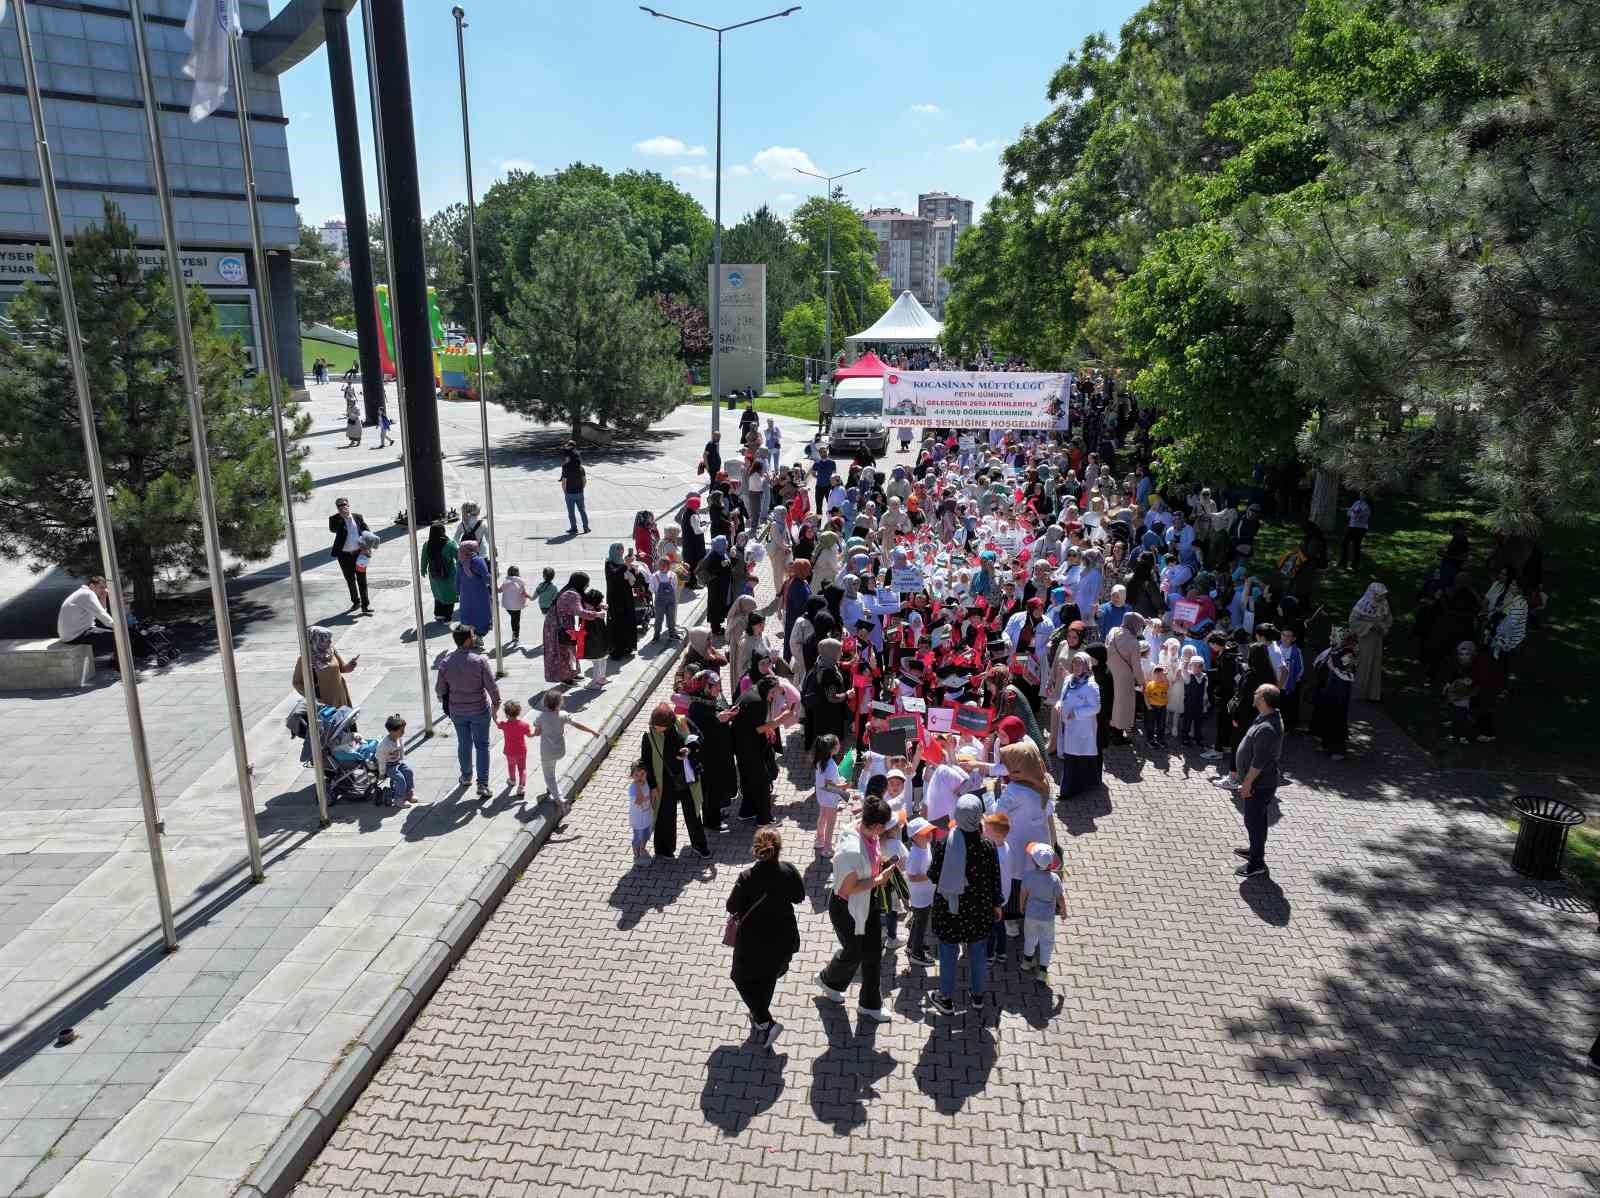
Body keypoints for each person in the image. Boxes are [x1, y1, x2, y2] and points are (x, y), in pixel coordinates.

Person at [815, 793, 897, 1024]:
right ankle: (828, 980)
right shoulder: (852, 849)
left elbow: (870, 857)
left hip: (866, 903)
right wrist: (878, 880)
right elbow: (849, 888)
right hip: (847, 909)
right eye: (885, 827)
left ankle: (870, 1005)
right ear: (877, 825)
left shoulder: (865, 830)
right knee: (854, 952)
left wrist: (880, 864)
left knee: (872, 953)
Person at [726, 826, 805, 1051]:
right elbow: (799, 897)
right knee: (768, 977)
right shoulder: (788, 870)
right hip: (783, 937)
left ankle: (765, 1021)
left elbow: (731, 906)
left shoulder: (747, 877)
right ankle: (760, 1017)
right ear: (778, 850)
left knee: (740, 978)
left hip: (752, 941)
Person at [927, 793, 1004, 1017]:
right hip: (979, 910)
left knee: (948, 953)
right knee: (978, 952)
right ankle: (978, 996)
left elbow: (933, 875)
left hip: (950, 911)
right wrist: (997, 904)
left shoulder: (943, 844)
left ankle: (946, 999)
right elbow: (994, 879)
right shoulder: (988, 846)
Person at [435, 625, 500, 798]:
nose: (474, 638)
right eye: (472, 636)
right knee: (482, 745)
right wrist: (496, 704)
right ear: (467, 640)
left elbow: (440, 689)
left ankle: (466, 776)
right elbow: (492, 687)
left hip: (457, 710)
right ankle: (483, 784)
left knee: (464, 743)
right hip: (479, 709)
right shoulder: (479, 661)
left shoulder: (446, 662)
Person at [641, 702, 710, 860]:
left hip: (687, 779)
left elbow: (700, 738)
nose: (656, 728)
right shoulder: (649, 735)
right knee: (665, 816)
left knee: (693, 813)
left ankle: (700, 845)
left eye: (659, 726)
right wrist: (652, 786)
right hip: (664, 782)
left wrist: (690, 749)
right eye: (654, 725)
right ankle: (664, 849)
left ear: (669, 723)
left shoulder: (683, 722)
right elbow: (647, 762)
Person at [1233, 684, 1284, 879]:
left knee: (1253, 822)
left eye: (1256, 693)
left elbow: (1259, 762)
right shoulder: (1266, 716)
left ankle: (1256, 864)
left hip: (1259, 785)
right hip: (1260, 783)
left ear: (1263, 699)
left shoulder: (1268, 728)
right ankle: (1255, 850)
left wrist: (1247, 783)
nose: (1253, 695)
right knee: (1257, 821)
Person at [532, 689, 597, 809]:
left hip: (547, 752)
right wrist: (592, 731)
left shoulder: (541, 717)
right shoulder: (563, 715)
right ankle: (551, 789)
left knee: (549, 776)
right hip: (560, 750)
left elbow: (537, 732)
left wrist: (533, 733)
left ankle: (560, 799)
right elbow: (577, 725)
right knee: (552, 768)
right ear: (560, 703)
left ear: (545, 703)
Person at [56, 575, 151, 659]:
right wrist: (122, 627)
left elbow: (101, 613)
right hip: (76, 635)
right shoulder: (87, 594)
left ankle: (133, 657)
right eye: (101, 587)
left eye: (104, 588)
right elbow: (104, 617)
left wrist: (103, 597)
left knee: (118, 632)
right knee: (121, 637)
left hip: (73, 634)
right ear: (92, 586)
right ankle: (120, 664)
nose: (103, 590)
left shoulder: (83, 593)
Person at [1053, 651, 1101, 796]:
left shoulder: (1091, 686)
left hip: (1081, 729)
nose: (1076, 666)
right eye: (1074, 663)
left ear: (1086, 666)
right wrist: (1059, 704)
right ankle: (1073, 788)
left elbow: (1096, 708)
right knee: (1071, 758)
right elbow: (1063, 697)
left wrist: (1077, 713)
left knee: (1075, 759)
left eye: (1080, 663)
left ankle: (1068, 791)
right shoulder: (1069, 680)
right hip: (1068, 726)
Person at [1019, 842, 1067, 983]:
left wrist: (1022, 906)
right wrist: (1063, 910)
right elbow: (1060, 897)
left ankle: (1027, 961)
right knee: (1046, 942)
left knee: (1030, 937)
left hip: (1031, 914)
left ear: (1034, 861)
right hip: (1047, 917)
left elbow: (1023, 893)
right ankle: (1043, 971)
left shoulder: (1028, 876)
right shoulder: (1054, 879)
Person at [542, 571, 600, 685]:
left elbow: (582, 603)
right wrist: (597, 615)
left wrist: (598, 606)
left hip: (560, 626)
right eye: (586, 583)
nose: (587, 586)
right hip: (559, 629)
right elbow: (579, 611)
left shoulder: (571, 591)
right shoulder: (571, 595)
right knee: (563, 653)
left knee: (570, 652)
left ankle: (571, 673)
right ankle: (565, 678)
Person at [1105, 612, 1146, 743]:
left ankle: (1108, 731)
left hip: (1109, 673)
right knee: (1121, 707)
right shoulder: (1134, 642)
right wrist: (1142, 682)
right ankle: (1117, 735)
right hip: (1124, 678)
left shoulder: (1113, 631)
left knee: (1110, 702)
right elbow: (1137, 666)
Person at [292, 625, 357, 709]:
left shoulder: (331, 650)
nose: (330, 642)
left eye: (330, 639)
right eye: (326, 640)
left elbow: (343, 668)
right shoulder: (305, 659)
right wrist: (313, 698)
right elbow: (297, 683)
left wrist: (351, 665)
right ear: (316, 640)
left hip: (340, 697)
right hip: (324, 702)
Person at [1348, 582, 1392, 701]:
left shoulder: (1384, 603)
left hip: (1378, 638)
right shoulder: (1363, 604)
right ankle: (1358, 693)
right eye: (1378, 595)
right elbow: (1353, 621)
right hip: (1365, 637)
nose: (1380, 597)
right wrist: (1370, 625)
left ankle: (1372, 694)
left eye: (1382, 595)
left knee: (1375, 664)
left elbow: (1388, 620)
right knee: (1363, 663)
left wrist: (1382, 626)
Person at [903, 817, 938, 967]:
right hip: (920, 897)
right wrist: (931, 874)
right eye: (924, 833)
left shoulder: (927, 845)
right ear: (914, 837)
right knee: (920, 924)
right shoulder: (916, 855)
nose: (929, 835)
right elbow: (911, 876)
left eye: (929, 831)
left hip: (926, 894)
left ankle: (911, 945)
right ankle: (917, 954)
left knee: (918, 922)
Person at [328, 498, 372, 613]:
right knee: (350, 580)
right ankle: (356, 602)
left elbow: (366, 531)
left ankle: (365, 605)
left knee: (362, 579)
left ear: (348, 505)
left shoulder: (357, 517)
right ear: (337, 508)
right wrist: (343, 518)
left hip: (359, 554)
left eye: (344, 505)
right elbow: (333, 529)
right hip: (344, 556)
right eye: (339, 506)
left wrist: (368, 546)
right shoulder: (335, 519)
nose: (342, 507)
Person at [812, 733, 851, 857]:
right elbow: (829, 786)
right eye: (838, 743)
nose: (840, 745)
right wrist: (844, 787)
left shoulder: (820, 760)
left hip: (821, 796)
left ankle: (819, 840)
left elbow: (825, 783)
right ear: (833, 749)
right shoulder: (830, 765)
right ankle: (827, 848)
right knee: (831, 822)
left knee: (822, 816)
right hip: (830, 798)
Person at [604, 544, 640, 661]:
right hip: (615, 599)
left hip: (626, 597)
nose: (620, 551)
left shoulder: (622, 563)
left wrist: (633, 569)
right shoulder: (609, 563)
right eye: (618, 549)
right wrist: (625, 565)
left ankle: (627, 647)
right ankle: (616, 650)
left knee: (627, 621)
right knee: (617, 623)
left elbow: (632, 579)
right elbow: (614, 575)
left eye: (621, 549)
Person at [419, 522, 459, 623]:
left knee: (438, 594)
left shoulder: (427, 545)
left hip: (434, 575)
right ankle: (447, 617)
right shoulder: (450, 544)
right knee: (450, 595)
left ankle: (438, 614)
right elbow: (458, 557)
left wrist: (423, 570)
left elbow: (424, 560)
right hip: (448, 575)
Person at [455, 541, 493, 638]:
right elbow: (486, 578)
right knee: (481, 614)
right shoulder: (478, 561)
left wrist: (458, 592)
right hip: (479, 594)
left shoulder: (460, 562)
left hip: (465, 595)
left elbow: (457, 580)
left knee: (468, 615)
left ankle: (469, 637)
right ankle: (479, 636)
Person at [375, 714, 414, 807]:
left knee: (409, 772)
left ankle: (409, 792)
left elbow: (401, 748)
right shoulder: (384, 745)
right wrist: (382, 773)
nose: (403, 732)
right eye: (401, 731)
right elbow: (381, 759)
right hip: (389, 766)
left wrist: (401, 759)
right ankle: (399, 799)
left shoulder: (398, 737)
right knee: (400, 779)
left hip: (397, 763)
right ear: (392, 731)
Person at [560, 442, 591, 534]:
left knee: (571, 513)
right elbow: (584, 481)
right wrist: (581, 489)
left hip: (569, 493)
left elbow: (564, 483)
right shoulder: (581, 468)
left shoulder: (566, 468)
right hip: (579, 492)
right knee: (582, 511)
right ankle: (586, 528)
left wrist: (565, 492)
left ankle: (574, 528)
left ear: (569, 458)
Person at [628, 760, 654, 862]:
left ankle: (642, 849)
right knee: (638, 838)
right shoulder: (633, 789)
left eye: (642, 774)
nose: (640, 777)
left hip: (647, 817)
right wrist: (638, 786)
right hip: (638, 820)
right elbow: (639, 801)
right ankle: (637, 856)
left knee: (646, 835)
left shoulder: (647, 783)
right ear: (632, 776)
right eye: (636, 775)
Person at [1341, 493, 1371, 569]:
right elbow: (1349, 513)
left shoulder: (1367, 506)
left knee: (1356, 545)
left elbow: (1358, 516)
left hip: (1360, 528)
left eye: (1363, 494)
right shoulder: (1357, 502)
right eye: (1361, 494)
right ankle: (1343, 562)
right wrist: (1353, 512)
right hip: (1352, 526)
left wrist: (1353, 512)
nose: (1361, 495)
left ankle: (1355, 564)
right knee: (1345, 543)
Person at [500, 566, 529, 644]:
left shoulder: (506, 581)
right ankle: (516, 636)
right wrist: (530, 597)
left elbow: (499, 590)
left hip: (508, 606)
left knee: (513, 618)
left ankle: (514, 634)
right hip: (517, 606)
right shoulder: (520, 582)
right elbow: (524, 593)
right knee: (516, 620)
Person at [1143, 664, 1169, 747]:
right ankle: (1150, 740)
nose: (1159, 676)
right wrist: (1148, 706)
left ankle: (1160, 739)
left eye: (1161, 674)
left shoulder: (1164, 684)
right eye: (1156, 674)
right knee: (1150, 725)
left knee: (1161, 725)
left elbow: (1167, 685)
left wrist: (1165, 676)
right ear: (1153, 675)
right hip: (1152, 707)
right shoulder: (1150, 684)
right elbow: (1146, 695)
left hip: (1162, 707)